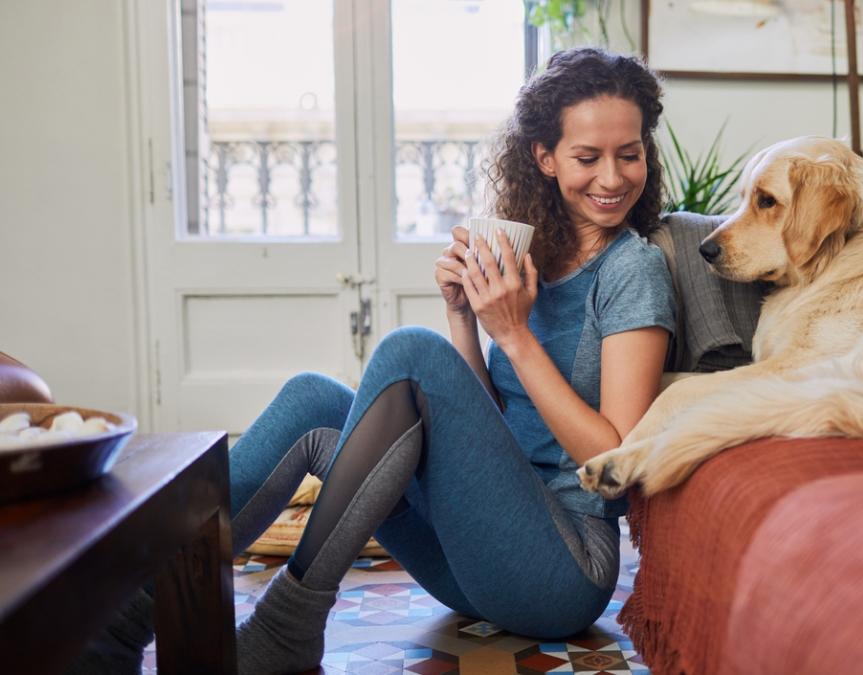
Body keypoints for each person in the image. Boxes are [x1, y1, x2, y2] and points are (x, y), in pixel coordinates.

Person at [68, 46, 675, 675]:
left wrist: (515, 335)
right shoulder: (531, 257)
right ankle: (123, 618)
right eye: (587, 157)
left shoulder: (633, 270)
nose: (612, 178)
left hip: (560, 571)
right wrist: (465, 317)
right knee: (313, 401)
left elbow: (618, 459)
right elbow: (493, 427)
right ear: (543, 158)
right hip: (472, 557)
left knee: (407, 354)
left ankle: (288, 623)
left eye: (628, 155)